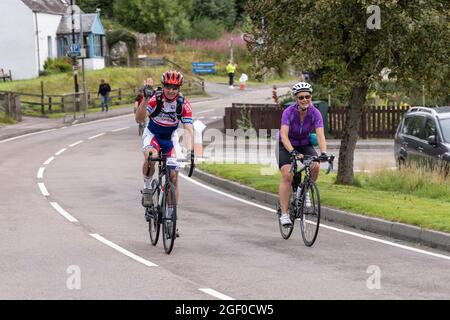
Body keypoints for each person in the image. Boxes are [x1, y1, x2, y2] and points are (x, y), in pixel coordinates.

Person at [135, 70, 194, 211]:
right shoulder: (156, 99)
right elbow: (139, 119)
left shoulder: (183, 103)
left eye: (175, 88)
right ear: (163, 86)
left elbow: (188, 129)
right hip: (153, 136)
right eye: (168, 87)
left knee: (174, 177)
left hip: (170, 140)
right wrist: (145, 99)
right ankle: (148, 188)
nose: (171, 91)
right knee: (151, 157)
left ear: (179, 89)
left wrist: (190, 151)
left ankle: (170, 216)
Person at [277, 82, 329, 227]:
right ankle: (285, 214)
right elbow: (284, 135)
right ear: (296, 99)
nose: (305, 99)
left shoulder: (315, 113)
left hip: (304, 143)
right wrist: (292, 152)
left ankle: (305, 189)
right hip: (286, 144)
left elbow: (320, 136)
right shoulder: (288, 112)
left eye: (307, 96)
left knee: (316, 166)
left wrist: (323, 152)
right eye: (301, 97)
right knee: (287, 175)